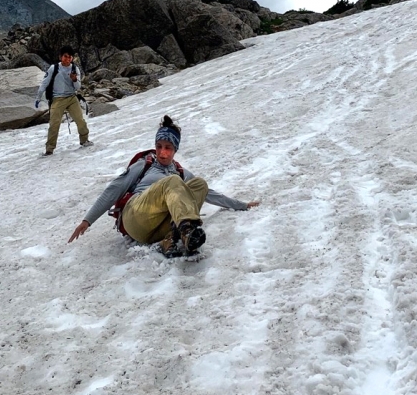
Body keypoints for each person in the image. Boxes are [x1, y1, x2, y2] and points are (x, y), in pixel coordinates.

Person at [68, 115, 260, 257]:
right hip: (136, 217)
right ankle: (187, 230)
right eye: (159, 146)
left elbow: (210, 194)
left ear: (175, 149)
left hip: (158, 227)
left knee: (199, 184)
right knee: (173, 182)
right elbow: (114, 189)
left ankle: (172, 238)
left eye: (167, 148)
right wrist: (87, 220)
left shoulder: (180, 172)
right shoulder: (145, 164)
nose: (161, 152)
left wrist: (242, 205)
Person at [36, 45, 92, 156]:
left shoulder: (74, 69)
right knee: (54, 124)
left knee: (80, 120)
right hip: (57, 99)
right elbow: (45, 83)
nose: (67, 59)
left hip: (72, 98)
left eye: (70, 57)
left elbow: (77, 87)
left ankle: (84, 140)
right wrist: (38, 97)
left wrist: (74, 79)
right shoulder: (54, 68)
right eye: (65, 56)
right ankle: (49, 149)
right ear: (60, 57)